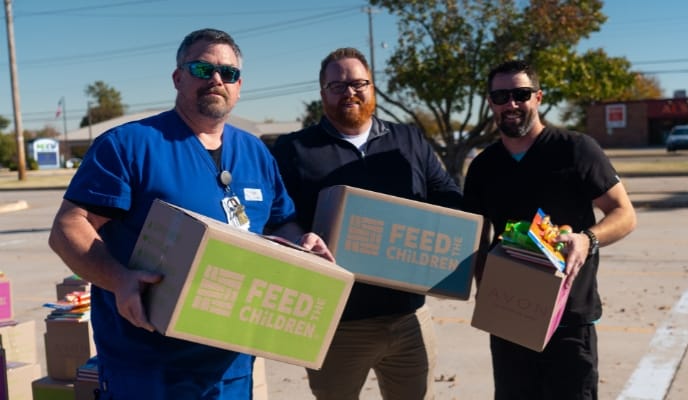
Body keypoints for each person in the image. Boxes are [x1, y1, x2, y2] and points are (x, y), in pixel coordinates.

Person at [48, 28, 333, 400]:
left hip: (230, 366)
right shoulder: (129, 145)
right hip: (148, 369)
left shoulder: (255, 153)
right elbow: (69, 226)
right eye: (203, 69)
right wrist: (118, 278)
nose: (217, 79)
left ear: (239, 86)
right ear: (178, 78)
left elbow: (281, 220)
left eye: (228, 73)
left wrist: (302, 241)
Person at [271, 47, 462, 400]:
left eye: (359, 83)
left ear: (373, 87)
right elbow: (278, 217)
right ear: (322, 92)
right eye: (337, 85)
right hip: (336, 323)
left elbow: (447, 196)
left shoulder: (408, 140)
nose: (350, 92)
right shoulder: (293, 149)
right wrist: (300, 237)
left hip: (409, 318)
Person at [462, 59, 637, 399]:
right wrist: (486, 296)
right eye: (500, 96)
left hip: (570, 317)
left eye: (520, 94)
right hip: (510, 315)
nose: (511, 103)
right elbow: (475, 239)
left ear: (538, 97)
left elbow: (624, 213)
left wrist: (588, 240)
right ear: (490, 103)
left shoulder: (576, 149)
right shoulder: (484, 167)